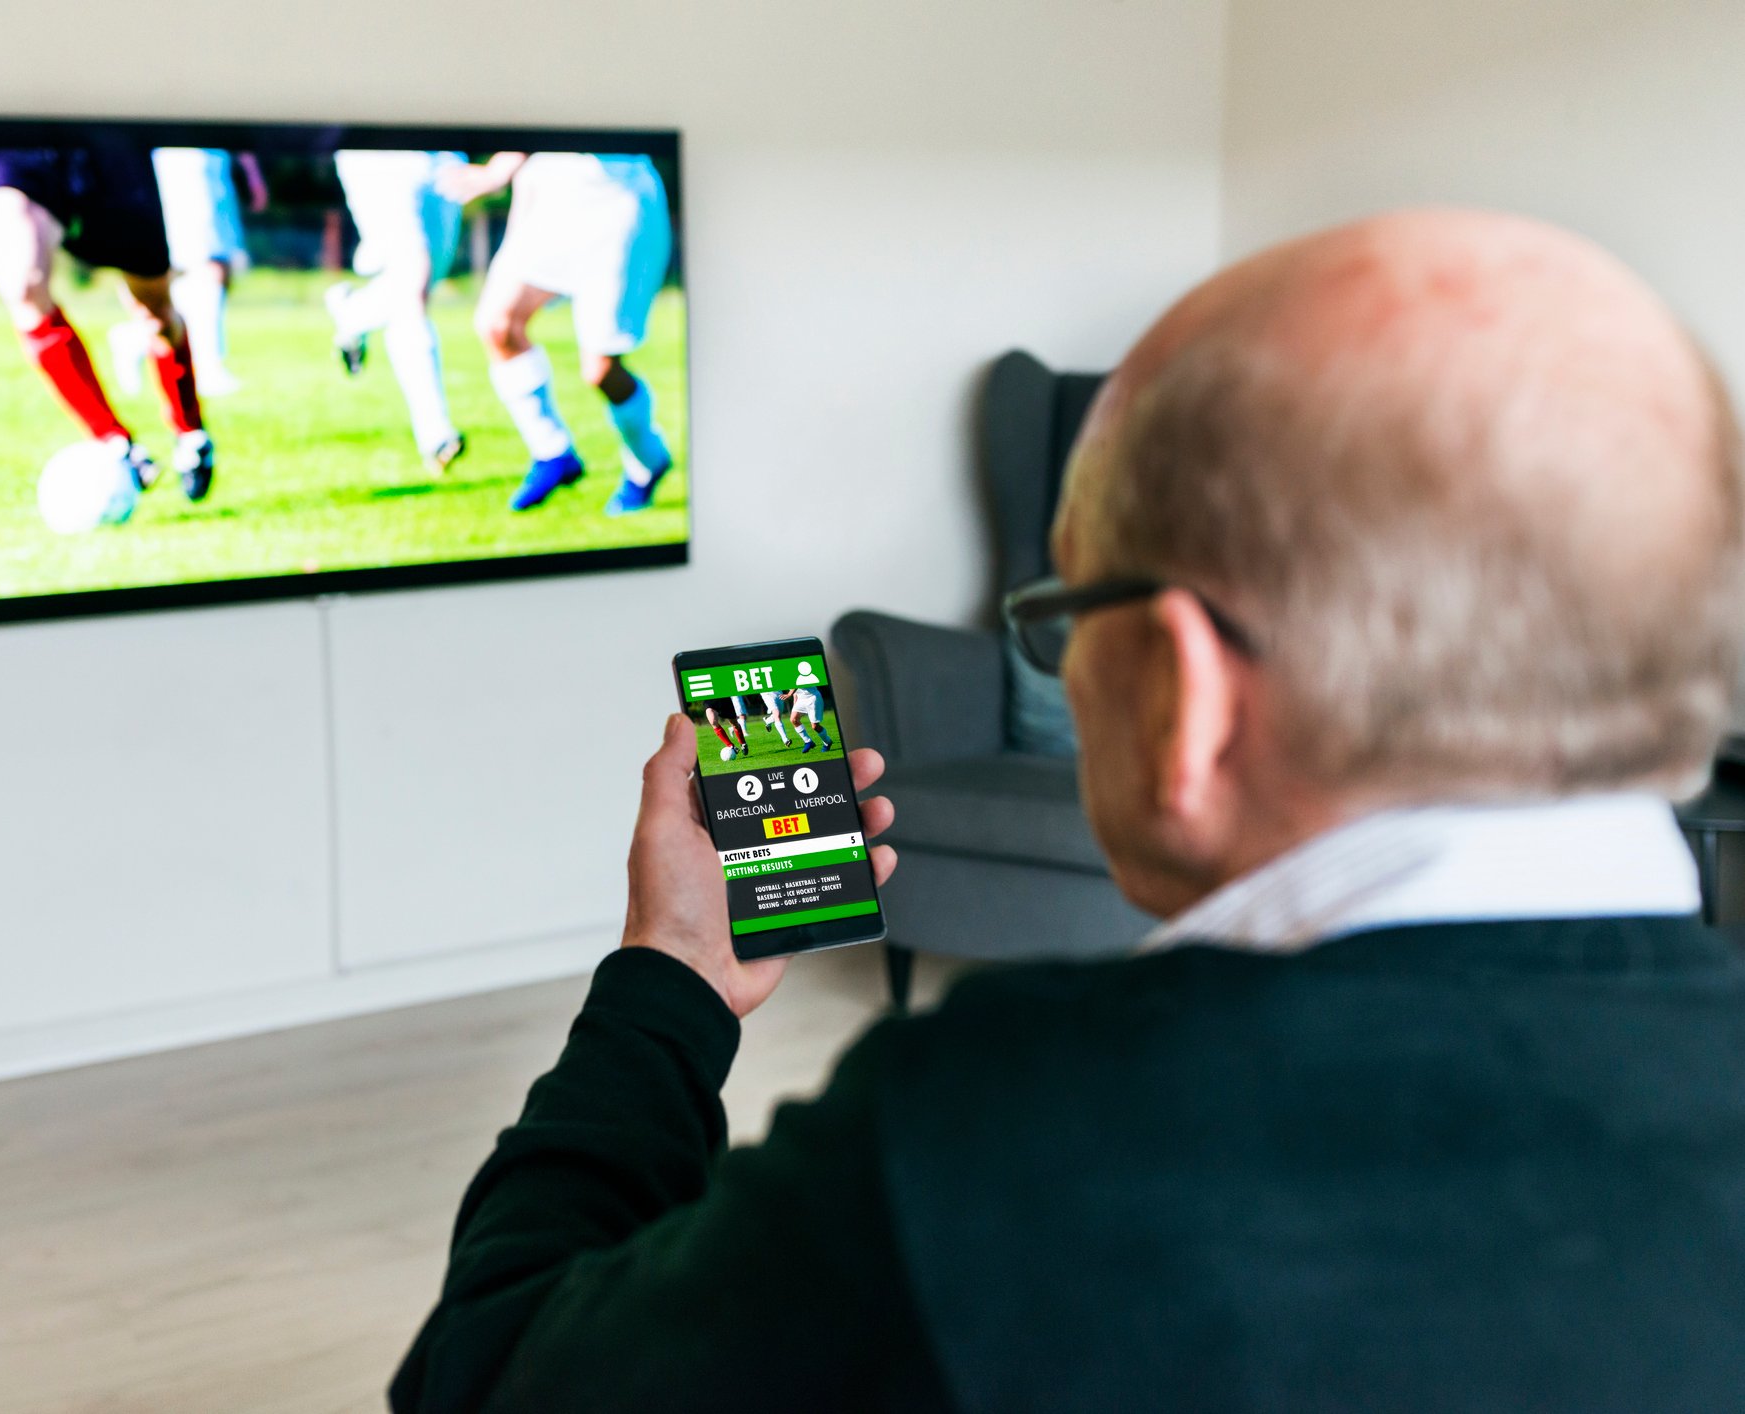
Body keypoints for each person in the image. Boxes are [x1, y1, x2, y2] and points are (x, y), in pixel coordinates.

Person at [389, 208, 1745, 1412]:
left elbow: (484, 1378)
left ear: (1187, 689)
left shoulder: (988, 1146)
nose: (1060, 666)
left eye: (1059, 618)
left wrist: (666, 981)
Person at [0, 141, 214, 507]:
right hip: (12, 144)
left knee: (156, 314)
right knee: (22, 287)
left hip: (103, 147)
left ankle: (190, 431)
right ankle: (117, 445)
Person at [445, 152, 676, 514]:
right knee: (496, 324)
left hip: (615, 199)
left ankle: (648, 460)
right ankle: (552, 451)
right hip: (553, 191)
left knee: (600, 371)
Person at [324, 148, 469, 473]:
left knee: (427, 279)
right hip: (380, 155)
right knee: (414, 278)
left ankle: (353, 312)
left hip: (441, 152)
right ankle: (436, 434)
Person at [114, 146, 265, 399]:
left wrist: (249, 166)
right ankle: (207, 367)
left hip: (213, 158)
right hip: (186, 157)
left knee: (213, 269)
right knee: (209, 266)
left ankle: (136, 338)